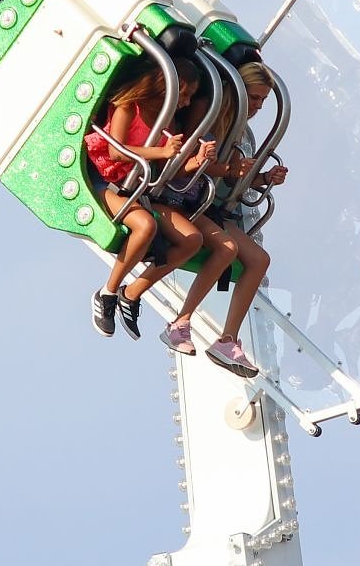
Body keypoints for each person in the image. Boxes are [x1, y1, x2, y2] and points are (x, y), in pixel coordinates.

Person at [85, 60, 241, 357]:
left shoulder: (165, 123)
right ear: (169, 86)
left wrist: (198, 161)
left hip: (138, 187)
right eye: (185, 94)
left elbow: (169, 168)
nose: (186, 103)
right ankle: (107, 292)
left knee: (192, 239)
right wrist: (161, 151)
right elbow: (116, 151)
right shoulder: (128, 106)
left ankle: (131, 293)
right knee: (146, 225)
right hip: (105, 180)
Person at [175, 59, 289, 379]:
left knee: (259, 259)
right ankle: (181, 321)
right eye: (254, 98)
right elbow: (191, 160)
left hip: (209, 202)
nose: (258, 107)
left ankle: (227, 341)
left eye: (263, 101)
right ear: (238, 91)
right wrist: (230, 169)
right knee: (227, 247)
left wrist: (264, 178)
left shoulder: (240, 128)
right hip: (185, 196)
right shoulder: (210, 112)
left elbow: (235, 176)